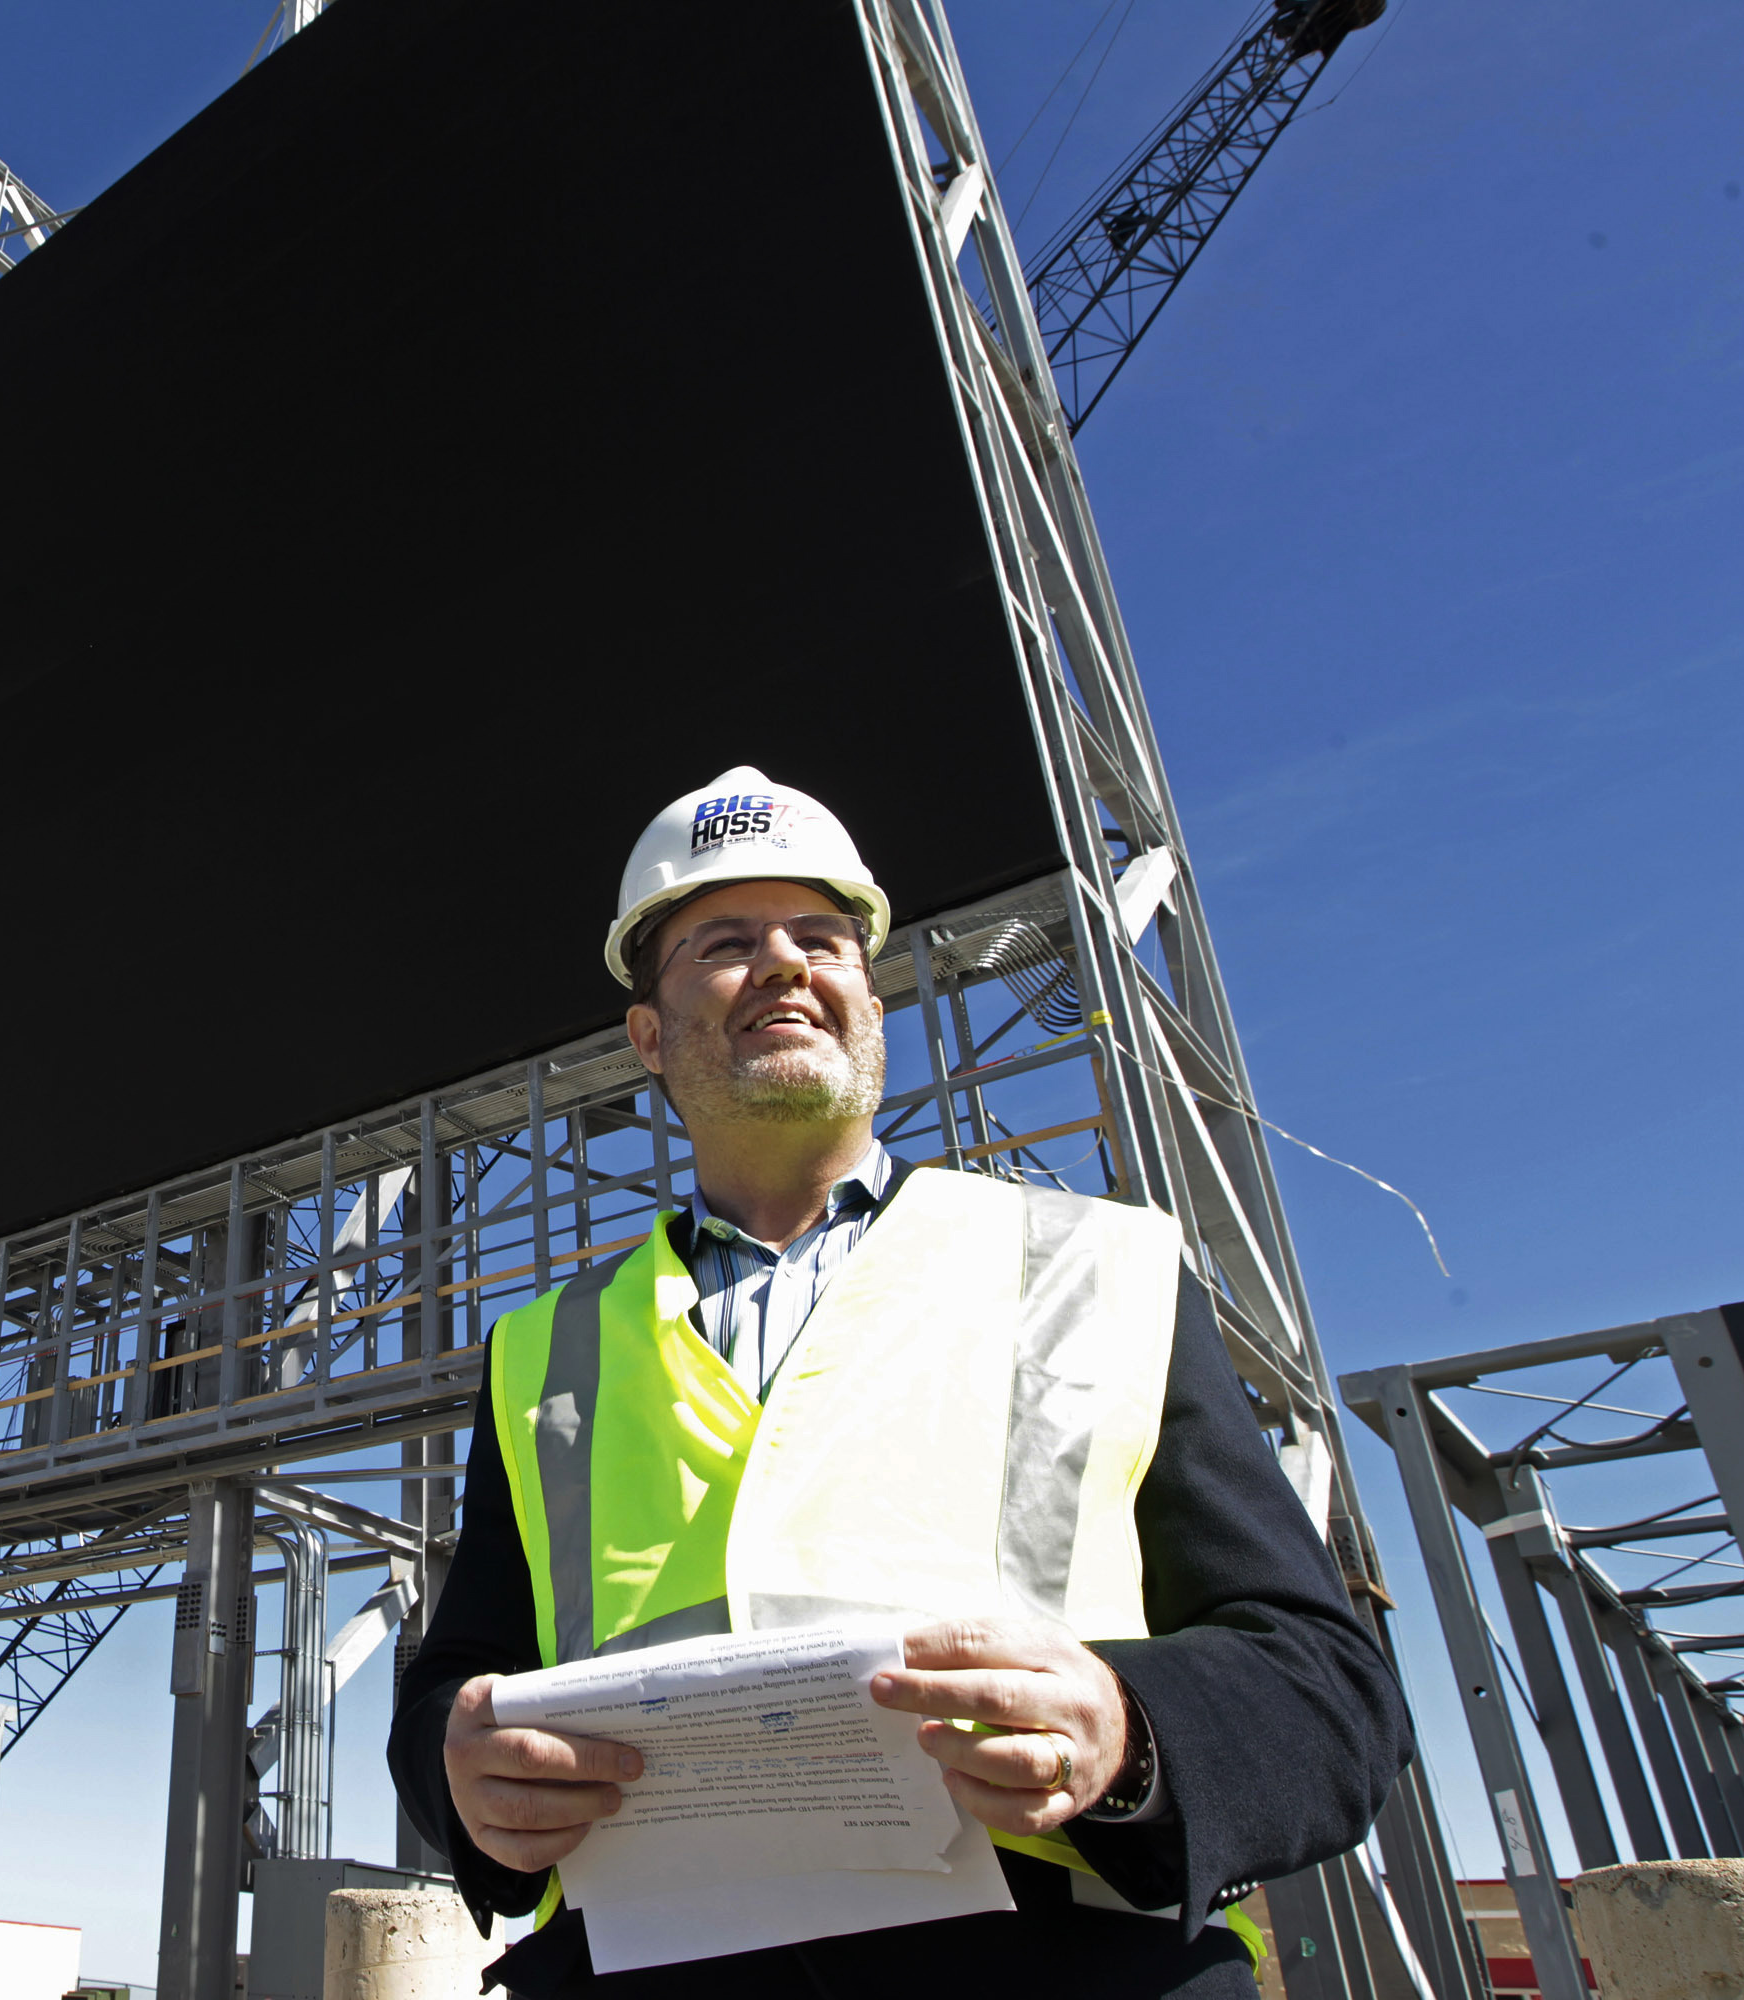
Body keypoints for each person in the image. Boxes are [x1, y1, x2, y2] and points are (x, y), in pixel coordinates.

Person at [386, 767, 1408, 1999]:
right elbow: (466, 1674)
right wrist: (456, 1771)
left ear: (868, 1000)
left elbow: (1328, 1689)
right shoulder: (548, 1347)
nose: (783, 962)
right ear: (647, 1035)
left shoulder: (1091, 1267)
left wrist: (1129, 1735)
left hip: (1058, 1965)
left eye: (821, 938)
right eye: (726, 941)